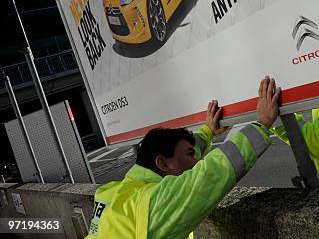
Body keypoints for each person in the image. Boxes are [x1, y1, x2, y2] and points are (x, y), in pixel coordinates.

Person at [86, 76, 280, 239]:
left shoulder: (112, 193)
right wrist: (262, 123)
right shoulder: (152, 203)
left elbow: (182, 156)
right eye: (190, 155)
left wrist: (207, 132)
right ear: (162, 162)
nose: (196, 160)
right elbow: (210, 174)